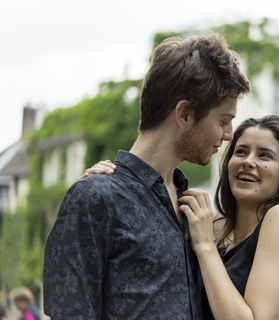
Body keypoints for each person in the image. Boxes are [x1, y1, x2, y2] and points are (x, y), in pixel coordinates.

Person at [43, 32, 250, 320]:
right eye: (223, 121)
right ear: (185, 114)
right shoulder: (95, 197)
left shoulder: (195, 211)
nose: (228, 135)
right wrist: (91, 192)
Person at [85, 115, 279, 319]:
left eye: (264, 155)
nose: (248, 161)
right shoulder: (217, 235)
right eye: (240, 151)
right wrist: (100, 188)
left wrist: (205, 247)